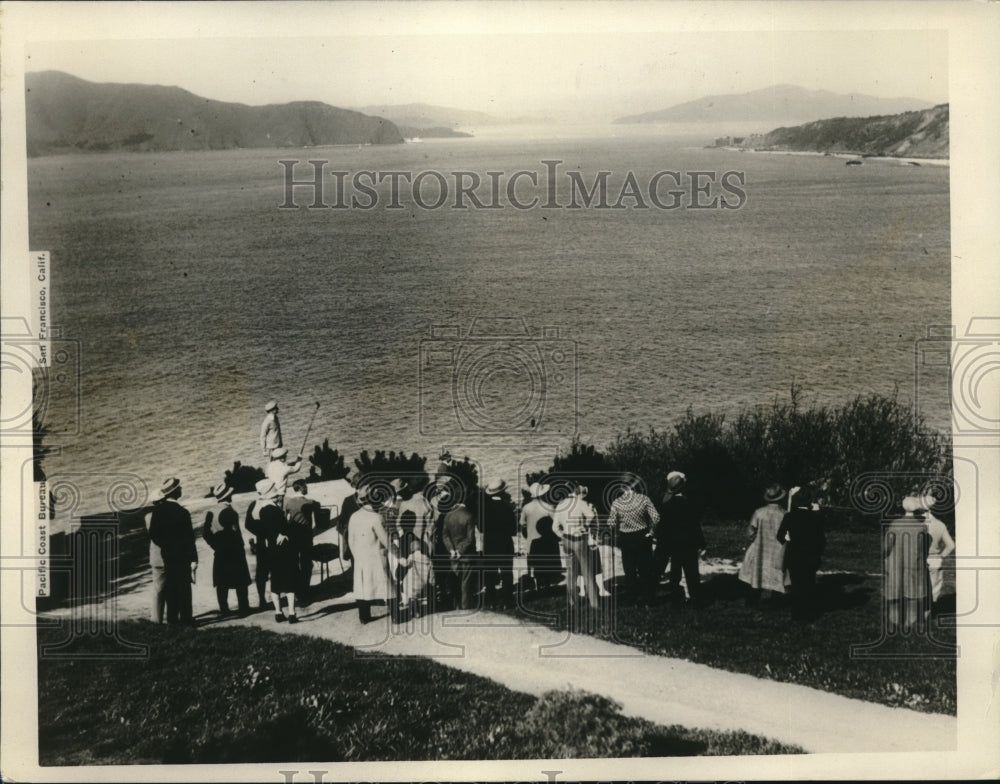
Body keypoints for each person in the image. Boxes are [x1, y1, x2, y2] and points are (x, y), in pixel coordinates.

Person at [146, 477, 198, 626]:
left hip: (167, 554)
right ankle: (186, 619)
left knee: (171, 588)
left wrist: (166, 544)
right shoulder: (182, 512)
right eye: (180, 488)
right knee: (184, 588)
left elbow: (154, 534)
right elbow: (189, 538)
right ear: (175, 492)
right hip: (182, 556)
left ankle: (172, 620)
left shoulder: (158, 512)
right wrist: (193, 558)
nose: (181, 489)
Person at [246, 478, 299, 622]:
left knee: (272, 579)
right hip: (281, 548)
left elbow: (248, 524)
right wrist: (284, 529)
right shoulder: (273, 509)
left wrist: (264, 533)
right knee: (288, 580)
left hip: (265, 545)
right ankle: (292, 613)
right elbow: (284, 527)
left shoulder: (255, 505)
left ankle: (276, 611)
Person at [607, 474, 659, 605]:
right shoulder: (644, 499)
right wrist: (652, 531)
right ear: (633, 486)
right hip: (642, 536)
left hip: (626, 538)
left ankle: (632, 599)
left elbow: (611, 523)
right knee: (645, 569)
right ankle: (648, 599)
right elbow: (656, 517)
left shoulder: (617, 503)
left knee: (629, 570)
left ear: (621, 487)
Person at [655, 471, 706, 605]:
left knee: (675, 570)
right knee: (691, 571)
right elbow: (695, 526)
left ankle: (677, 596)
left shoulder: (665, 503)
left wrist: (660, 539)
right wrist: (702, 544)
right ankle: (695, 597)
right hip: (688, 542)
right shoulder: (688, 503)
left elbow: (662, 525)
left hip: (672, 542)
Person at [202, 482, 251, 617]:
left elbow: (206, 533)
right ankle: (244, 608)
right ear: (228, 496)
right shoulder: (230, 511)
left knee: (221, 581)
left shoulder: (211, 512)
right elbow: (236, 531)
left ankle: (224, 609)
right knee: (240, 580)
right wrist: (240, 545)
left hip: (220, 550)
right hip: (234, 549)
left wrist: (215, 545)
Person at [776, 485, 825, 620]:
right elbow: (821, 541)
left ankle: (797, 614)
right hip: (811, 556)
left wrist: (788, 538)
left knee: (796, 585)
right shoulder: (815, 518)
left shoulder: (789, 516)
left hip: (794, 555)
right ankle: (809, 613)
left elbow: (780, 536)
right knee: (809, 583)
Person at [884, 496, 932, 631]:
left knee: (894, 593)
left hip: (895, 563)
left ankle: (894, 622)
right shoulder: (922, 527)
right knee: (913, 594)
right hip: (914, 563)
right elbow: (924, 549)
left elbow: (886, 547)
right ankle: (910, 622)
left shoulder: (894, 524)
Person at [347, 483, 393, 624]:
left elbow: (351, 539)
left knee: (362, 587)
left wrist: (356, 554)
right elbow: (386, 540)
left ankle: (364, 616)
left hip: (360, 557)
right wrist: (396, 549)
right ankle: (396, 616)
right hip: (376, 557)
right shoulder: (376, 518)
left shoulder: (354, 516)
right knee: (388, 586)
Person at [553, 483, 601, 615]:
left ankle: (572, 603)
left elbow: (554, 527)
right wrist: (584, 526)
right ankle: (594, 604)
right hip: (579, 539)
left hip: (566, 540)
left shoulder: (560, 505)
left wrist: (562, 535)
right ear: (575, 491)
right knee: (587, 571)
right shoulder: (580, 503)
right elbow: (591, 515)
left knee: (571, 573)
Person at [738, 484, 789, 603]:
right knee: (777, 572)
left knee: (758, 570)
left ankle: (753, 600)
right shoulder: (785, 514)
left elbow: (751, 532)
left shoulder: (759, 512)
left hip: (760, 547)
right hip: (778, 548)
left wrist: (755, 539)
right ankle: (775, 600)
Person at [480, 479, 517, 609]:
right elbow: (513, 530)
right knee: (507, 573)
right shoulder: (508, 507)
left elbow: (480, 528)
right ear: (503, 491)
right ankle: (508, 601)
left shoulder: (485, 508)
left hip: (490, 544)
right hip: (505, 543)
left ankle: (492, 602)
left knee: (490, 573)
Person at [283, 479, 320, 602]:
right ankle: (305, 589)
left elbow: (286, 518)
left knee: (294, 563)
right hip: (306, 536)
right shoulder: (310, 502)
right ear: (301, 488)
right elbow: (318, 506)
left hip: (293, 536)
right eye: (305, 486)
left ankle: (297, 590)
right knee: (306, 563)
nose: (307, 488)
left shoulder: (289, 503)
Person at [442, 489, 479, 610]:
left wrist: (452, 550)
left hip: (452, 555)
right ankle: (466, 606)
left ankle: (456, 606)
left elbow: (445, 536)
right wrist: (460, 551)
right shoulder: (469, 515)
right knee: (466, 583)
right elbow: (470, 538)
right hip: (466, 555)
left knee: (455, 581)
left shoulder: (448, 516)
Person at [921, 492, 955, 603]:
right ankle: (929, 614)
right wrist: (941, 556)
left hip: (918, 558)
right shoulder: (940, 524)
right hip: (935, 560)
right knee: (933, 589)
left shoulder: (915, 523)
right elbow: (951, 545)